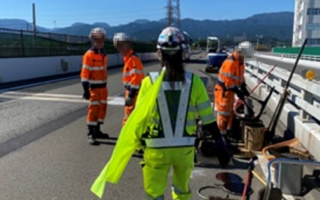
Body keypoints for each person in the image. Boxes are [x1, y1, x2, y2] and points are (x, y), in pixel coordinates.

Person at [90, 27, 230, 200]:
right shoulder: (195, 82)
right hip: (184, 150)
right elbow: (208, 119)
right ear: (183, 53)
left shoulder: (149, 82)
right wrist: (220, 143)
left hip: (156, 149)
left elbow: (140, 119)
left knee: (154, 194)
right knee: (182, 192)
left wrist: (138, 144)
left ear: (159, 54)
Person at [214, 41, 253, 137]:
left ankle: (229, 132)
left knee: (230, 112)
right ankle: (221, 136)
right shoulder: (230, 63)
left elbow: (239, 76)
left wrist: (243, 86)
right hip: (223, 92)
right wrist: (238, 92)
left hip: (230, 93)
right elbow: (228, 83)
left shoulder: (240, 62)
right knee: (223, 114)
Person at [80, 27, 109, 145]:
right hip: (94, 89)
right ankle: (91, 133)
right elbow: (85, 73)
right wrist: (85, 90)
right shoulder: (89, 55)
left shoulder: (103, 54)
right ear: (92, 39)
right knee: (93, 111)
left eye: (101, 39)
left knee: (101, 110)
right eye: (97, 39)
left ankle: (97, 130)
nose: (99, 41)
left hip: (103, 88)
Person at [113, 32, 145, 126]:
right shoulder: (129, 59)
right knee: (130, 117)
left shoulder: (132, 59)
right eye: (118, 46)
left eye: (122, 45)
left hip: (134, 93)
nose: (120, 48)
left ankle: (126, 139)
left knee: (129, 119)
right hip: (133, 92)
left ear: (128, 44)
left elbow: (136, 78)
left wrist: (131, 95)